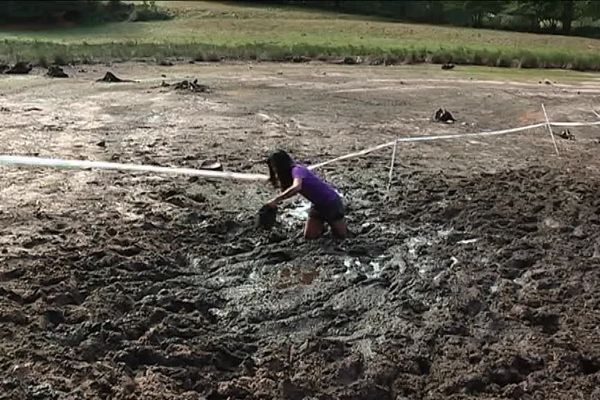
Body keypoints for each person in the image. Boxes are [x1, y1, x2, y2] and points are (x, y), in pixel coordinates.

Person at [265, 150, 347, 239]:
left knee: (341, 237)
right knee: (309, 237)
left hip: (330, 202)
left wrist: (276, 200)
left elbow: (296, 187)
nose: (275, 170)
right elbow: (293, 191)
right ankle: (324, 227)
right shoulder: (293, 173)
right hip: (317, 205)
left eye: (275, 166)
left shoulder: (297, 170)